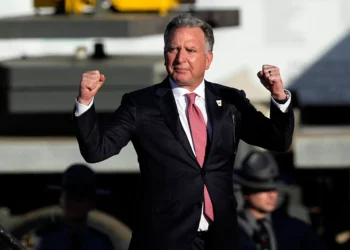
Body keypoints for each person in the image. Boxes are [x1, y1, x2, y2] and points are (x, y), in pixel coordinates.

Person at [74, 13, 294, 250]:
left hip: (220, 237)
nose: (180, 58)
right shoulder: (141, 104)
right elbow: (96, 150)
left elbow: (277, 140)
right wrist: (85, 102)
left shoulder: (230, 101)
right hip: (164, 239)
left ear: (208, 59)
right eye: (173, 49)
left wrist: (279, 98)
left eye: (190, 50)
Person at [233, 150, 328, 250]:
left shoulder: (295, 229)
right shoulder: (230, 230)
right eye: (264, 190)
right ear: (246, 192)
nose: (272, 195)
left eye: (274, 189)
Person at [31, 164, 114, 250]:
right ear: (61, 200)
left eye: (81, 197)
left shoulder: (101, 243)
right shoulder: (42, 239)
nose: (75, 202)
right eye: (70, 196)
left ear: (92, 202)